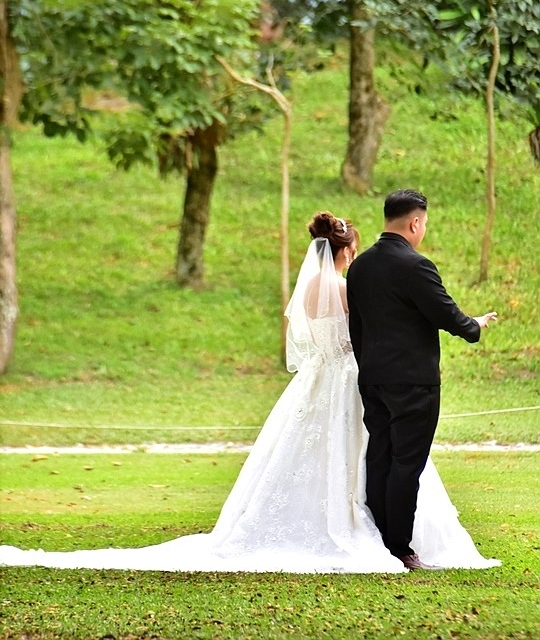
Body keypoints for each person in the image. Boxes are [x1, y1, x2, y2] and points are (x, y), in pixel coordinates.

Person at [0, 212, 499, 573]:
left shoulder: (307, 291)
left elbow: (304, 341)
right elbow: (370, 326)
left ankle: (371, 527)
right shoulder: (348, 287)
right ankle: (387, 535)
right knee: (376, 455)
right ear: (346, 251)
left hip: (317, 381)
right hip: (353, 378)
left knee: (357, 456)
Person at [347, 189, 498, 571]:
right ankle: (399, 546)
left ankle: (377, 538)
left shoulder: (360, 266)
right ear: (415, 223)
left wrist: (368, 368)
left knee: (379, 456)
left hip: (374, 378)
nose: (423, 230)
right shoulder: (416, 266)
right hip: (414, 381)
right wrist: (474, 325)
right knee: (406, 463)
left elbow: (357, 327)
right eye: (424, 224)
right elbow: (445, 313)